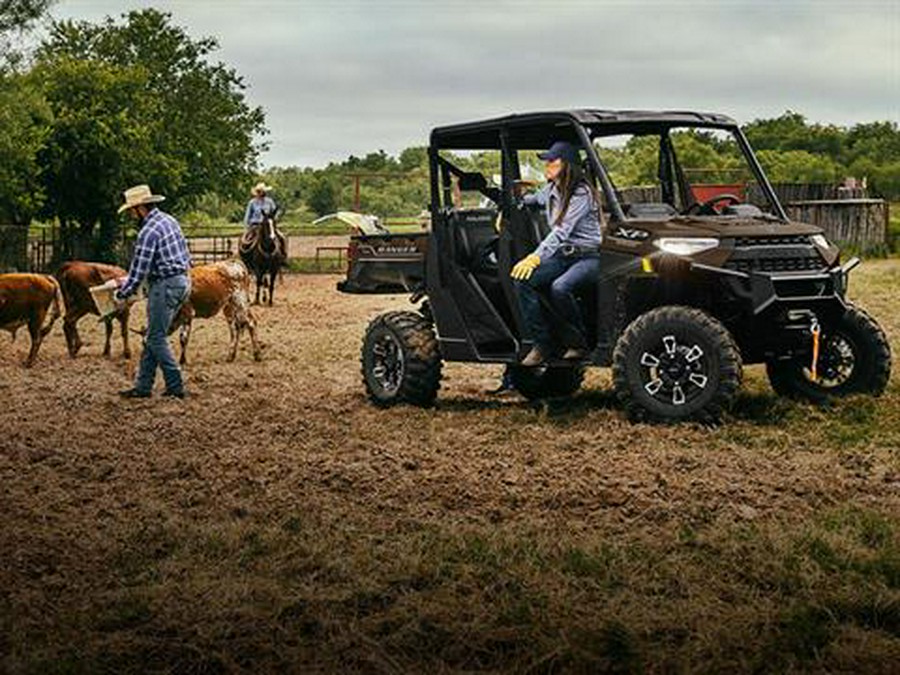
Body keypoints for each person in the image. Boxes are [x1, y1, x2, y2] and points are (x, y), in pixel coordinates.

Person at [511, 141, 604, 367]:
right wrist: (515, 201)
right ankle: (542, 343)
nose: (547, 166)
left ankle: (579, 342)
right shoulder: (552, 189)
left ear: (568, 165)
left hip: (588, 256)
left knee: (561, 287)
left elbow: (562, 230)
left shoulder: (582, 193)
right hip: (563, 257)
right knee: (523, 281)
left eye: (553, 161)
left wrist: (536, 257)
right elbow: (533, 199)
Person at [115, 184, 192, 399]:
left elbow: (140, 269)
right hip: (181, 282)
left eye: (131, 210)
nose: (131, 215)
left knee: (156, 337)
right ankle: (143, 386)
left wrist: (123, 292)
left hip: (164, 286)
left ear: (140, 208)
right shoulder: (169, 220)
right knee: (153, 335)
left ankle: (175, 385)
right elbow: (186, 255)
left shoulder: (148, 232)